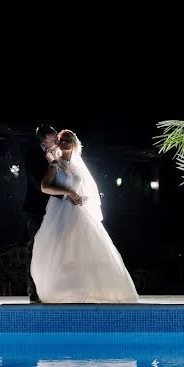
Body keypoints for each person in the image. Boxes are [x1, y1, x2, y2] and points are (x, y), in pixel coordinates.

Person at [30, 130, 139, 303]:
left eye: (68, 140)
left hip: (77, 210)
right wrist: (68, 192)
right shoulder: (55, 165)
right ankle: (56, 289)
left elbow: (81, 189)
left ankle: (84, 289)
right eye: (62, 140)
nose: (64, 143)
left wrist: (81, 197)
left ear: (73, 144)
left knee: (82, 247)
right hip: (60, 210)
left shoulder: (77, 166)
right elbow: (45, 187)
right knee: (59, 248)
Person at [22, 124, 59, 302]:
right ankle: (33, 290)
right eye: (53, 136)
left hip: (55, 208)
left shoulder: (55, 153)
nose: (57, 139)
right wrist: (65, 195)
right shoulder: (32, 155)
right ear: (45, 138)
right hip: (37, 208)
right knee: (35, 248)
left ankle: (51, 288)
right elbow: (39, 184)